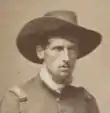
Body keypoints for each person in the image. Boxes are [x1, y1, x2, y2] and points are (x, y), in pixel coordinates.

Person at [0, 10, 102, 113]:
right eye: (58, 49)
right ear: (40, 52)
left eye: (71, 49)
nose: (66, 58)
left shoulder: (85, 102)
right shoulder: (18, 101)